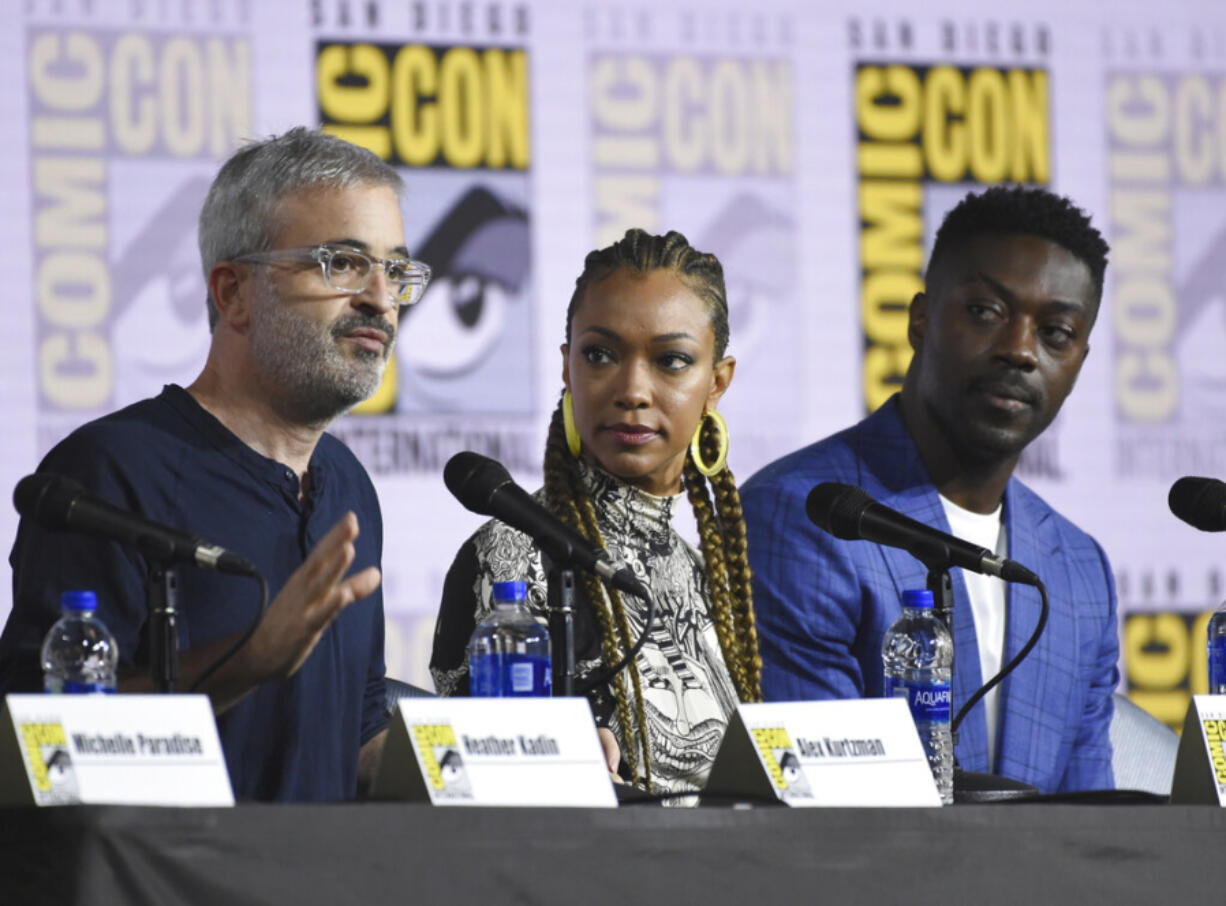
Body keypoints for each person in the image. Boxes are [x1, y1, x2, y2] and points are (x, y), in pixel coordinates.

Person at [0, 127, 431, 801]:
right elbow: (41, 751)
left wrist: (539, 760)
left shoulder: (348, 487)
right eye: (342, 263)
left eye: (397, 271)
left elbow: (359, 738)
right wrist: (246, 663)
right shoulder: (109, 474)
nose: (381, 298)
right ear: (233, 292)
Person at [741, 186, 1117, 794]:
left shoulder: (1078, 570)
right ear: (920, 320)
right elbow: (819, 810)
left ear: (1079, 358)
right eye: (986, 312)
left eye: (1056, 331)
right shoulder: (804, 514)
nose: (1020, 350)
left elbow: (1096, 825)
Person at [430, 229, 761, 798]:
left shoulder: (708, 572)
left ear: (717, 382)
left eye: (671, 361)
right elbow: (488, 791)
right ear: (567, 367)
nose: (632, 389)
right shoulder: (510, 559)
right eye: (600, 355)